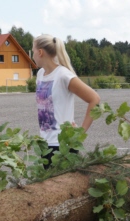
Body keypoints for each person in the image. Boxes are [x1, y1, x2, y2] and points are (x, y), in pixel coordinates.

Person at [32, 34, 100, 167]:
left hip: (63, 146)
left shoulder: (63, 75)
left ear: (40, 52)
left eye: (33, 51)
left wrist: (81, 132)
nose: (32, 55)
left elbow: (94, 99)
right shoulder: (40, 74)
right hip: (45, 144)